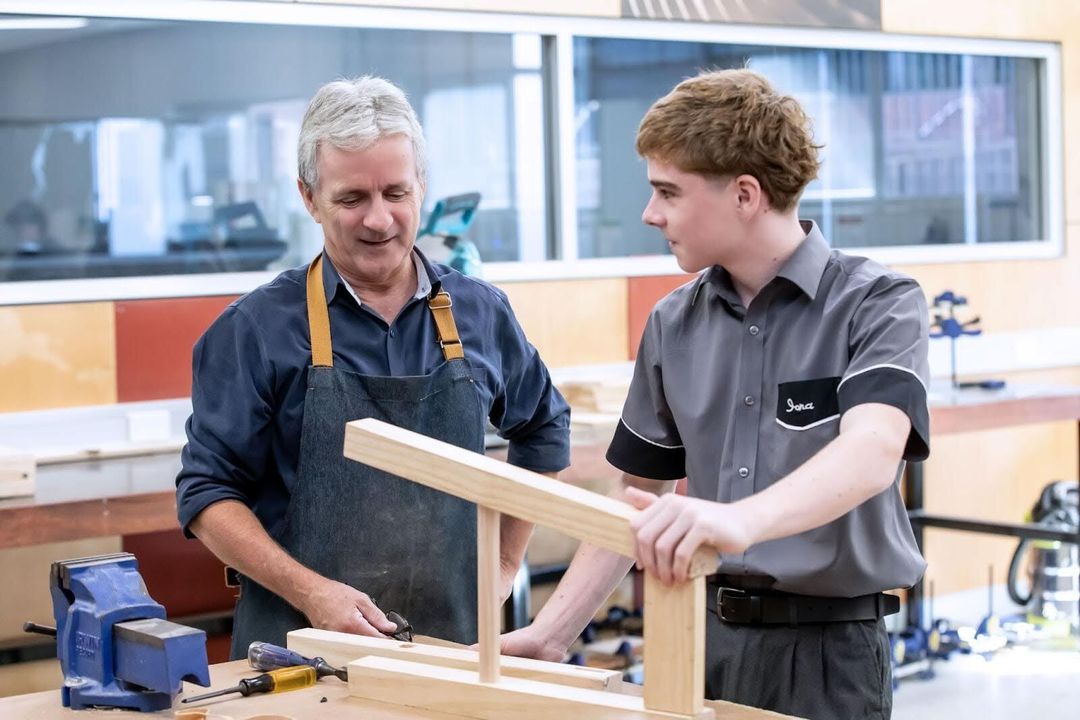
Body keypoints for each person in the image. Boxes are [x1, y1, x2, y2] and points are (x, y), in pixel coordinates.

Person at [501, 68, 929, 720]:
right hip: (698, 640)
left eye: (668, 192)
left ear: (745, 194)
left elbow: (872, 451)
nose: (651, 214)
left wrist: (741, 518)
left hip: (828, 658)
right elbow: (639, 497)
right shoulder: (672, 323)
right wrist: (552, 632)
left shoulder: (877, 304)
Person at [176, 76, 570, 658]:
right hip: (297, 655)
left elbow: (544, 429)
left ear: (422, 187)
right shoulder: (255, 330)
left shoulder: (481, 313)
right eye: (352, 199)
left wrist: (506, 563)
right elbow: (207, 493)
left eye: (396, 193)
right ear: (309, 198)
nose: (379, 220)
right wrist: (310, 592)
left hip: (450, 654)